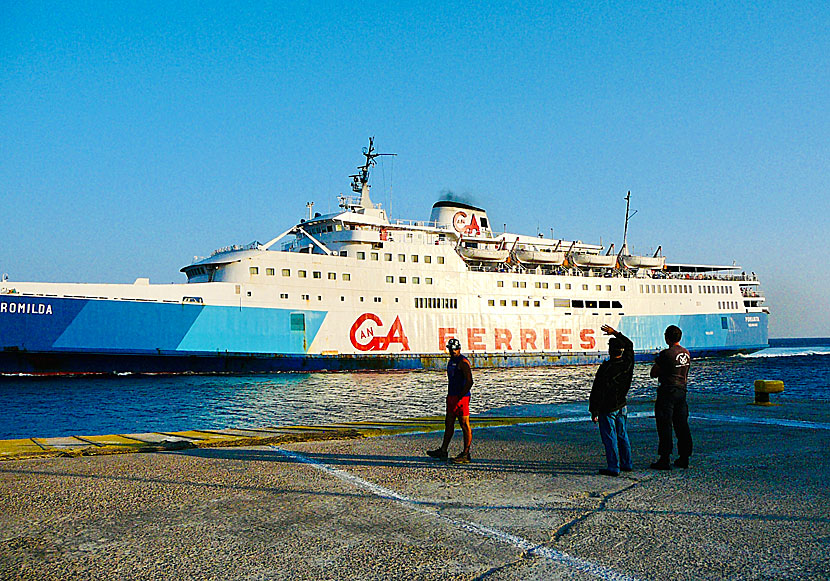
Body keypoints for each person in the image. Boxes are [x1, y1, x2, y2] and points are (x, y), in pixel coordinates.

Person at [589, 324, 634, 477]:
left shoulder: (606, 369)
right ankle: (627, 463)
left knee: (610, 437)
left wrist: (594, 410)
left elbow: (597, 391)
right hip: (622, 404)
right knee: (622, 434)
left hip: (608, 408)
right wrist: (615, 333)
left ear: (610, 351)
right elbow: (630, 344)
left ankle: (614, 467)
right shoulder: (628, 363)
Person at [649, 325, 692, 470]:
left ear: (667, 337)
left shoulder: (666, 354)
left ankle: (665, 458)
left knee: (665, 425)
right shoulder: (686, 353)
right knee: (682, 425)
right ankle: (684, 457)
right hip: (682, 391)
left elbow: (653, 373)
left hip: (667, 392)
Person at [427, 338, 474, 464]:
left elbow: (470, 381)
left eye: (455, 349)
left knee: (464, 424)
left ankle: (466, 453)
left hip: (461, 398)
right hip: (452, 396)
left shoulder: (463, 362)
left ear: (459, 349)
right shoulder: (451, 361)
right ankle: (443, 450)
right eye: (450, 349)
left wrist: (461, 396)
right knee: (448, 423)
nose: (452, 351)